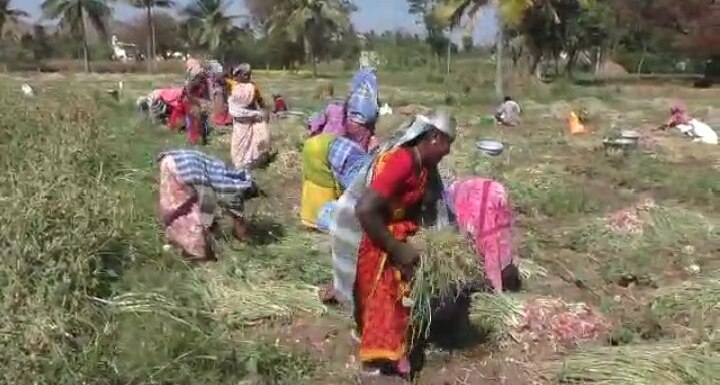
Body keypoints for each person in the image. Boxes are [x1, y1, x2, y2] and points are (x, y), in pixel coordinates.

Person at [330, 110, 456, 378]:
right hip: (380, 238)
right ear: (434, 138)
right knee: (384, 300)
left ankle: (387, 348)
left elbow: (428, 206)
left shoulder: (425, 167)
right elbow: (365, 209)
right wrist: (397, 248)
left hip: (400, 234)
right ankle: (378, 361)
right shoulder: (401, 162)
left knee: (397, 301)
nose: (449, 152)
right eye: (448, 144)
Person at [157, 149, 261, 261]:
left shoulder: (230, 174)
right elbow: (238, 223)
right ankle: (195, 251)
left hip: (173, 160)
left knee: (176, 204)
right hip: (186, 169)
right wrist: (246, 240)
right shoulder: (236, 190)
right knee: (190, 212)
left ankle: (176, 239)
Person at [445, 177, 521, 292]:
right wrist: (497, 289)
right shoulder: (484, 231)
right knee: (472, 238)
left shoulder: (503, 248)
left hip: (488, 193)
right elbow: (492, 260)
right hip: (466, 194)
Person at [300, 133, 372, 231]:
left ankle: (314, 221)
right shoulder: (365, 186)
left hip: (329, 144)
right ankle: (316, 221)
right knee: (322, 188)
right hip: (321, 149)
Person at [228, 64, 274, 168]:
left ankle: (254, 160)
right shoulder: (233, 87)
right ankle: (241, 162)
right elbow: (235, 111)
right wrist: (250, 117)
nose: (248, 77)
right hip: (241, 123)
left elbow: (260, 102)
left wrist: (263, 112)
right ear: (238, 75)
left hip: (253, 119)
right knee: (240, 144)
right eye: (245, 75)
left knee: (257, 140)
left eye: (249, 75)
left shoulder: (252, 87)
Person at [345, 54, 380, 150]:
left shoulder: (356, 76)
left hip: (351, 119)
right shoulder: (371, 78)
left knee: (352, 146)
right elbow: (373, 99)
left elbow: (349, 95)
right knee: (360, 152)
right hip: (362, 121)